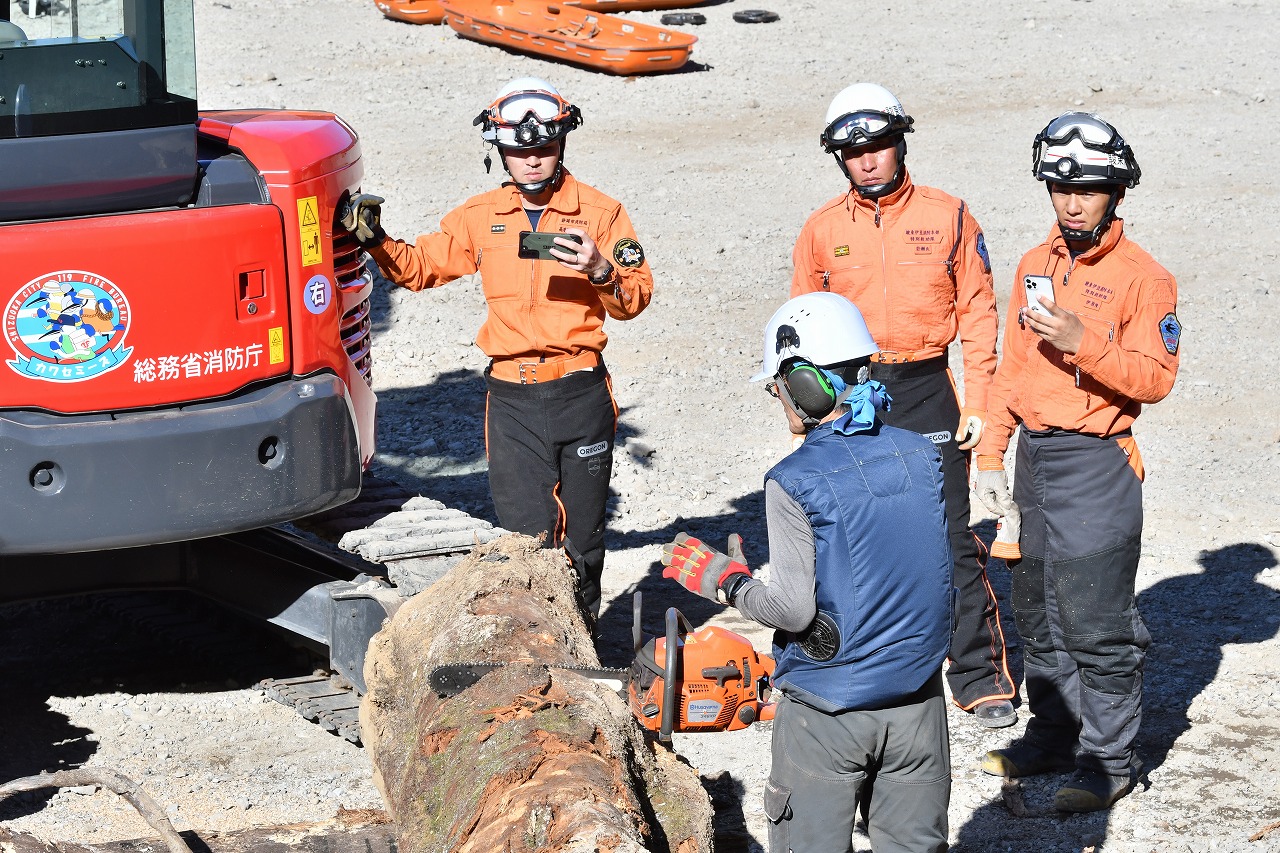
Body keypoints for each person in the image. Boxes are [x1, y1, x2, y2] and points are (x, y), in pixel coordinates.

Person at [344, 77, 653, 618]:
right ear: (500, 150)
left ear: (561, 144)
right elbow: (420, 269)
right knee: (525, 542)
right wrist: (375, 239)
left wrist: (601, 269)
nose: (532, 160)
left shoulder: (602, 213)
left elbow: (635, 298)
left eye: (543, 149)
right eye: (518, 150)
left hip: (580, 391)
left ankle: (584, 650)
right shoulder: (479, 216)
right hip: (511, 400)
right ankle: (538, 655)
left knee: (583, 541)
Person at [661, 292, 953, 853]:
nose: (778, 399)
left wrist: (727, 581)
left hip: (827, 716)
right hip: (918, 704)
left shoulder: (791, 480)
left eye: (777, 386)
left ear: (802, 382)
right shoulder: (921, 455)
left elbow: (794, 610)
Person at [790, 82, 1016, 728]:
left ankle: (979, 673)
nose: (867, 161)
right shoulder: (822, 230)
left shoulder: (948, 215)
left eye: (878, 146)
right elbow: (799, 326)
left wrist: (980, 401)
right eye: (852, 151)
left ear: (900, 142)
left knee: (948, 536)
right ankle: (863, 665)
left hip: (925, 388)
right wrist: (808, 410)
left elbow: (979, 313)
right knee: (850, 535)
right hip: (851, 391)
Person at [974, 111, 1180, 812]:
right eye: (1059, 187)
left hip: (1099, 463)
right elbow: (1010, 366)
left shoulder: (1145, 278)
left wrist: (1084, 339)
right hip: (1035, 458)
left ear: (1116, 190)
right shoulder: (1035, 263)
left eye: (1088, 188)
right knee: (1037, 611)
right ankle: (1055, 734)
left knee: (1095, 620)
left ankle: (1110, 759)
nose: (1071, 201)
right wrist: (993, 455)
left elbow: (1155, 378)